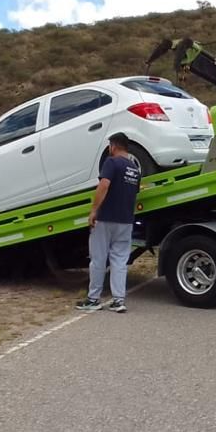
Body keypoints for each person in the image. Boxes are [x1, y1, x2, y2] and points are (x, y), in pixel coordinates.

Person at [76, 133, 141, 313]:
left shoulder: (111, 163)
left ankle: (93, 299)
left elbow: (104, 185)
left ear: (113, 146)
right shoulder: (134, 169)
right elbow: (135, 192)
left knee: (98, 259)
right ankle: (118, 301)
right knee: (120, 260)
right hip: (125, 220)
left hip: (105, 218)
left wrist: (94, 210)